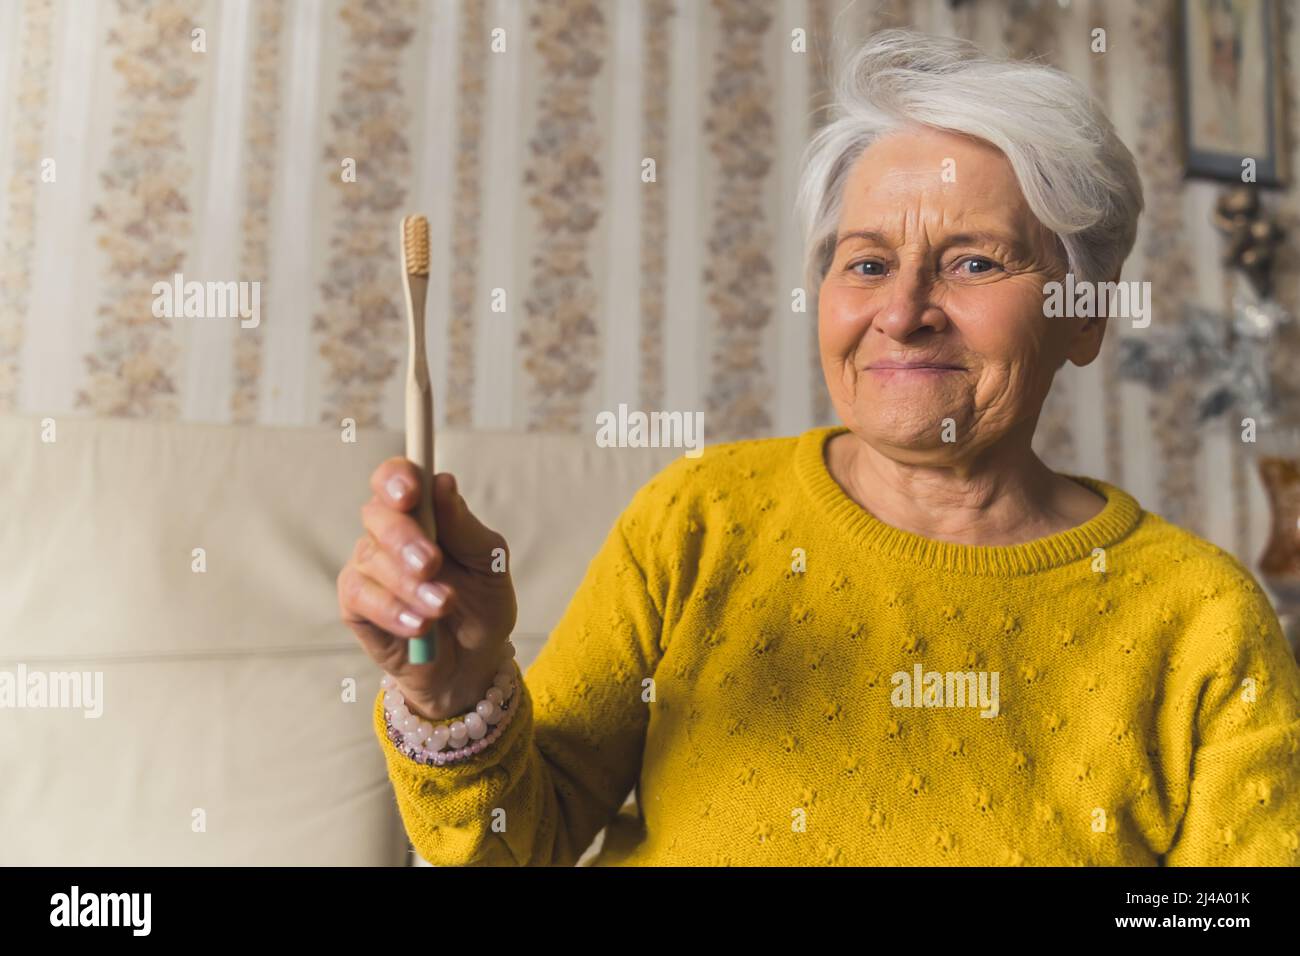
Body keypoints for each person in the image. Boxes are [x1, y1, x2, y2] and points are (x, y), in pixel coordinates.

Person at [337, 29, 1300, 866]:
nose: (903, 313)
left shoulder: (1202, 619)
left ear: (1082, 310)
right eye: (868, 262)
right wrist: (455, 697)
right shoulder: (699, 517)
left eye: (971, 262)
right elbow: (517, 847)